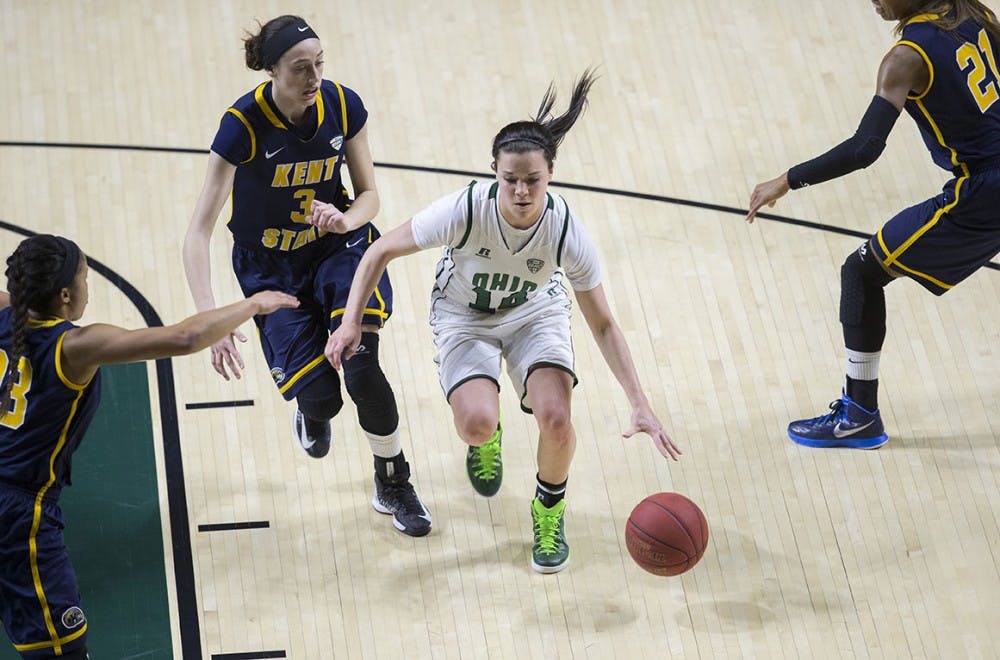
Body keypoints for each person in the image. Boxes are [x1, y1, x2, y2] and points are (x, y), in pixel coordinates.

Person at [324, 71, 682, 574]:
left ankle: (548, 511)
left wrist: (639, 402)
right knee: (476, 423)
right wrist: (349, 323)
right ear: (494, 171)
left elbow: (602, 324)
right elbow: (379, 250)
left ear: (550, 175)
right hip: (464, 315)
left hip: (535, 312)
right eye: (510, 179)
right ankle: (488, 436)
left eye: (532, 180)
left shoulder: (564, 231)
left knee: (555, 418)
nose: (519, 190)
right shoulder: (464, 210)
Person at [182, 15, 431, 536]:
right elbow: (198, 234)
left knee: (362, 365)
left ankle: (394, 482)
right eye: (300, 68)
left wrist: (347, 219)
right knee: (323, 397)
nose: (314, 77)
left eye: (319, 63)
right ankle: (312, 410)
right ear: (272, 69)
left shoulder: (343, 105)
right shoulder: (242, 126)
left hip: (338, 248)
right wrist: (214, 320)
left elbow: (370, 196)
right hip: (269, 265)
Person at [0, 234, 297, 659]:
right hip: (20, 519)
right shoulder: (75, 347)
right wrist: (252, 305)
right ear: (65, 295)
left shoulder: (5, 312)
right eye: (85, 278)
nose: (89, 286)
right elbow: (183, 338)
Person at [747, 1, 1000, 448]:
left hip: (984, 193)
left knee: (861, 272)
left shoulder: (906, 57)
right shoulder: (972, 12)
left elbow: (865, 147)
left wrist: (787, 179)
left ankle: (860, 414)